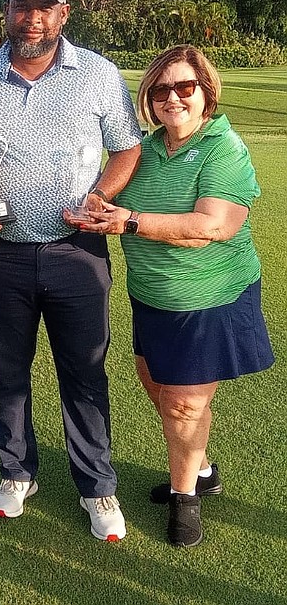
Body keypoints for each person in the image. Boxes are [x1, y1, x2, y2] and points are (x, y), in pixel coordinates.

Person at [0, 0, 142, 541]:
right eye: (21, 6)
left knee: (84, 372)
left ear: (63, 14)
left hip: (78, 252)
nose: (32, 18)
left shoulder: (99, 76)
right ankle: (16, 471)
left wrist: (100, 195)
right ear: (6, 12)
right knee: (7, 372)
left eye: (44, 7)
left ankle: (97, 485)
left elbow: (127, 149)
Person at [75, 45, 275, 547]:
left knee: (183, 405)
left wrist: (132, 222)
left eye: (184, 87)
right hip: (153, 297)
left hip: (209, 297)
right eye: (161, 89)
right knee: (160, 387)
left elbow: (214, 224)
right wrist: (90, 204)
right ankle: (202, 469)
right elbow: (108, 193)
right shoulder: (144, 149)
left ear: (205, 92)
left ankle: (185, 497)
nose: (172, 98)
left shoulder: (222, 149)